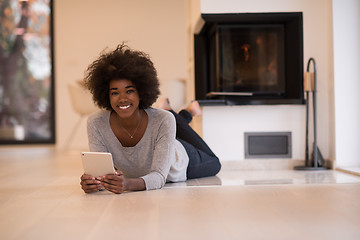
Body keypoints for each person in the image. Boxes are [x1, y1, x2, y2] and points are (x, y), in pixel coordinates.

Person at [80, 44, 221, 194]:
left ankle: (182, 113)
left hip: (178, 160)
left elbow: (159, 176)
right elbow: (103, 175)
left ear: (141, 92)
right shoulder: (96, 123)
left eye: (129, 91)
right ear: (106, 95)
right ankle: (181, 113)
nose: (122, 98)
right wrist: (94, 183)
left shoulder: (162, 120)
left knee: (214, 164)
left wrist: (128, 184)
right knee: (165, 120)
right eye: (115, 93)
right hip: (161, 129)